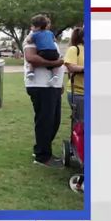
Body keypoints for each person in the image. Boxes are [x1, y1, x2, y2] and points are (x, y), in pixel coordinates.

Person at [24, 26, 66, 168]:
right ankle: (43, 156)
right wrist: (55, 63)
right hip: (40, 85)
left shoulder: (49, 38)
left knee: (54, 121)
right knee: (45, 121)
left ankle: (41, 149)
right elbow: (31, 58)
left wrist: (60, 84)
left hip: (52, 86)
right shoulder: (32, 38)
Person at [25, 15, 61, 85]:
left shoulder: (35, 34)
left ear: (38, 27)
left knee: (34, 60)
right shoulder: (50, 33)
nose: (31, 28)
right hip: (54, 52)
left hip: (44, 52)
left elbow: (29, 41)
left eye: (33, 26)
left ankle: (31, 72)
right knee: (55, 63)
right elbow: (54, 40)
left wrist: (29, 37)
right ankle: (55, 75)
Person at [64, 26, 84, 123]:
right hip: (78, 92)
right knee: (81, 122)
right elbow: (71, 67)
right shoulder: (74, 49)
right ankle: (77, 138)